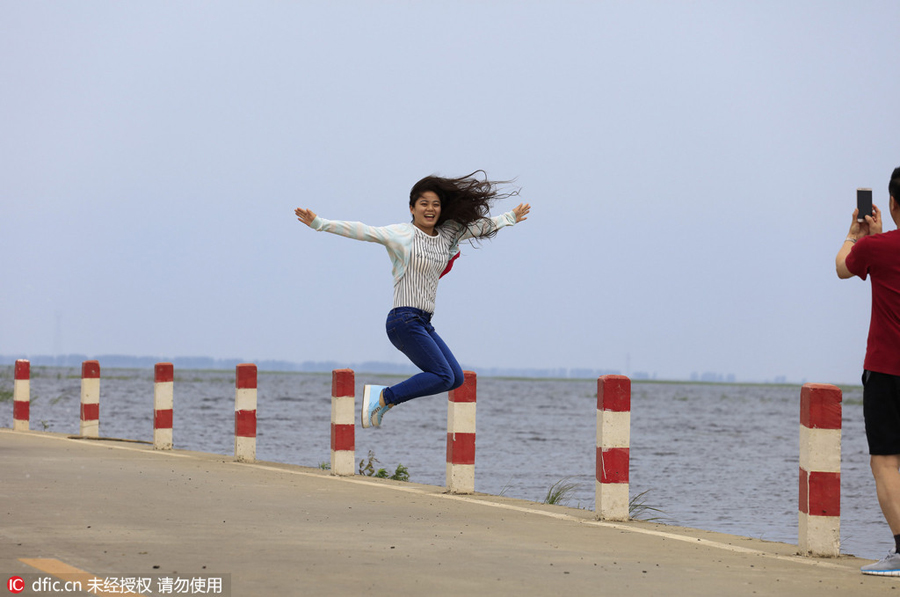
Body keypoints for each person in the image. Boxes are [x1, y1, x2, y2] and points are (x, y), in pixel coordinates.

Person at [295, 171, 531, 429]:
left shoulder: (448, 234)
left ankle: (385, 399)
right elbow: (364, 231)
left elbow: (478, 228)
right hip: (403, 320)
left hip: (424, 322)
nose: (430, 209)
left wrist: (510, 218)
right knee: (441, 375)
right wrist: (320, 223)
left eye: (436, 204)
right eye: (424, 203)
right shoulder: (402, 234)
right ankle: (384, 397)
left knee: (455, 379)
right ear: (412, 208)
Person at [836, 166, 900, 576]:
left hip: (886, 371)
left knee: (887, 463)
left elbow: (843, 266)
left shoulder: (878, 249)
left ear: (893, 204)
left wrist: (856, 234)